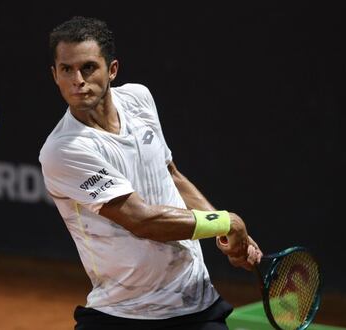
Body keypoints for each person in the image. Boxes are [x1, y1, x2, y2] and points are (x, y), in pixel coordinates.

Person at [39, 16, 263, 330]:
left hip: (194, 305)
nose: (78, 80)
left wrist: (223, 232)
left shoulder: (139, 99)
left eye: (88, 67)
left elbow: (170, 174)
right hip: (121, 314)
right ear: (55, 75)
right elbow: (141, 220)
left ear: (112, 70)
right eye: (67, 70)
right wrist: (226, 222)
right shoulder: (63, 149)